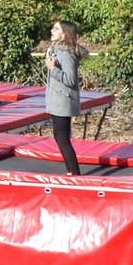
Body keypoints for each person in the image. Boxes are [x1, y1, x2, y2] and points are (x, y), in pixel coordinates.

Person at [46, 20, 88, 176]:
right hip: (57, 99)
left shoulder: (67, 54)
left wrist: (52, 69)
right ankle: (71, 171)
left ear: (64, 34)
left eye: (56, 29)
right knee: (59, 137)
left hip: (63, 100)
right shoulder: (56, 49)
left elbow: (71, 80)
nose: (52, 30)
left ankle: (75, 173)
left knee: (62, 139)